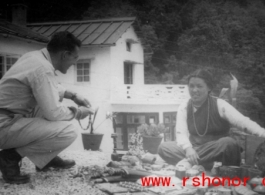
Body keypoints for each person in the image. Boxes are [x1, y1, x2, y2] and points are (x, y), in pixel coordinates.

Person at [0, 31, 94, 184]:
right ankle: (9, 158)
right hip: (4, 124)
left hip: (9, 116)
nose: (75, 63)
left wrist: (73, 95)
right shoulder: (42, 68)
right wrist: (78, 112)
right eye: (75, 58)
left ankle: (45, 158)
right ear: (64, 55)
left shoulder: (35, 57)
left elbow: (46, 88)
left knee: (43, 105)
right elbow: (54, 113)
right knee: (68, 132)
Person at [158, 69, 265, 169]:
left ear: (209, 88)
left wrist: (262, 133)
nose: (194, 90)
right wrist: (188, 149)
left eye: (199, 86)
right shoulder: (184, 107)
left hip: (218, 152)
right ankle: (203, 163)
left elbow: (243, 122)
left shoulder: (219, 104)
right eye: (191, 86)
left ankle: (190, 162)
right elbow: (181, 133)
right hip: (195, 150)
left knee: (228, 143)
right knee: (164, 148)